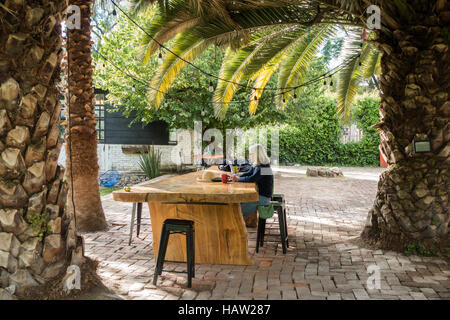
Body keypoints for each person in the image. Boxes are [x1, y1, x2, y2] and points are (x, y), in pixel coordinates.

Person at [232, 144, 273, 227]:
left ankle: (236, 231)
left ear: (256, 154)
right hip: (261, 195)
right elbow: (248, 173)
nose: (249, 155)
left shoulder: (264, 167)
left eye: (251, 153)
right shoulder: (258, 164)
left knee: (236, 210)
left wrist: (238, 179)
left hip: (263, 198)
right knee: (237, 205)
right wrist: (238, 176)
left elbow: (252, 178)